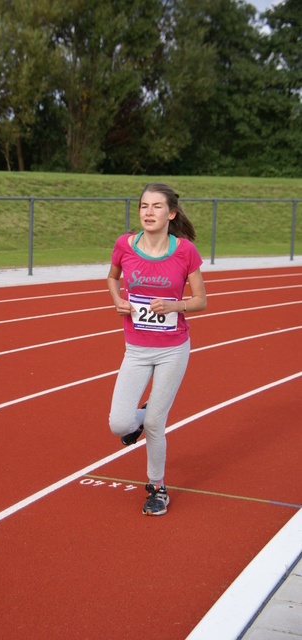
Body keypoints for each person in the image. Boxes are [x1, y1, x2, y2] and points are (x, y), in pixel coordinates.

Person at [107, 182, 207, 516]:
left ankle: (157, 488)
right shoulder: (125, 244)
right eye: (143, 206)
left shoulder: (184, 251)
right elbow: (111, 278)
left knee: (154, 424)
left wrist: (173, 306)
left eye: (156, 207)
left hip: (172, 350)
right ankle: (141, 418)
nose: (148, 213)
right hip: (135, 348)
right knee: (120, 424)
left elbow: (200, 301)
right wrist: (118, 300)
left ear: (171, 213)